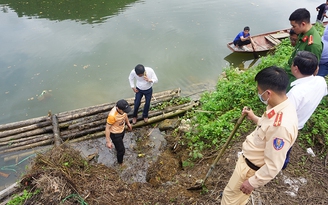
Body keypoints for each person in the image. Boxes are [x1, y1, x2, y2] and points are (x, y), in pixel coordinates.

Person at [221, 66, 298, 205]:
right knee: (236, 197)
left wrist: (252, 182)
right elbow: (266, 128)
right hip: (247, 164)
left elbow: (274, 165)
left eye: (259, 92)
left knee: (229, 199)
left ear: (268, 93)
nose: (259, 94)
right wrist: (254, 117)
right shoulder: (281, 106)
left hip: (249, 170)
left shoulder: (281, 127)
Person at [287, 51, 328, 130]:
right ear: (317, 69)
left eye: (292, 64)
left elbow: (284, 115)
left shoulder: (295, 93)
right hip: (298, 125)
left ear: (295, 69)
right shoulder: (321, 81)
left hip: (287, 128)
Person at [285, 8, 323, 87]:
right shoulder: (303, 33)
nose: (292, 29)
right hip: (290, 71)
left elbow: (312, 70)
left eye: (294, 26)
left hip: (296, 78)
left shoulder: (313, 45)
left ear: (303, 24)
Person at [105, 99, 132, 166]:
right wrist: (108, 142)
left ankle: (117, 148)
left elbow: (125, 115)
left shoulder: (123, 111)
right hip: (115, 134)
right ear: (118, 108)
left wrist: (128, 123)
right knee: (121, 150)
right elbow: (107, 128)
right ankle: (120, 163)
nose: (125, 112)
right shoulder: (112, 116)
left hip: (121, 130)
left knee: (119, 145)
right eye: (124, 111)